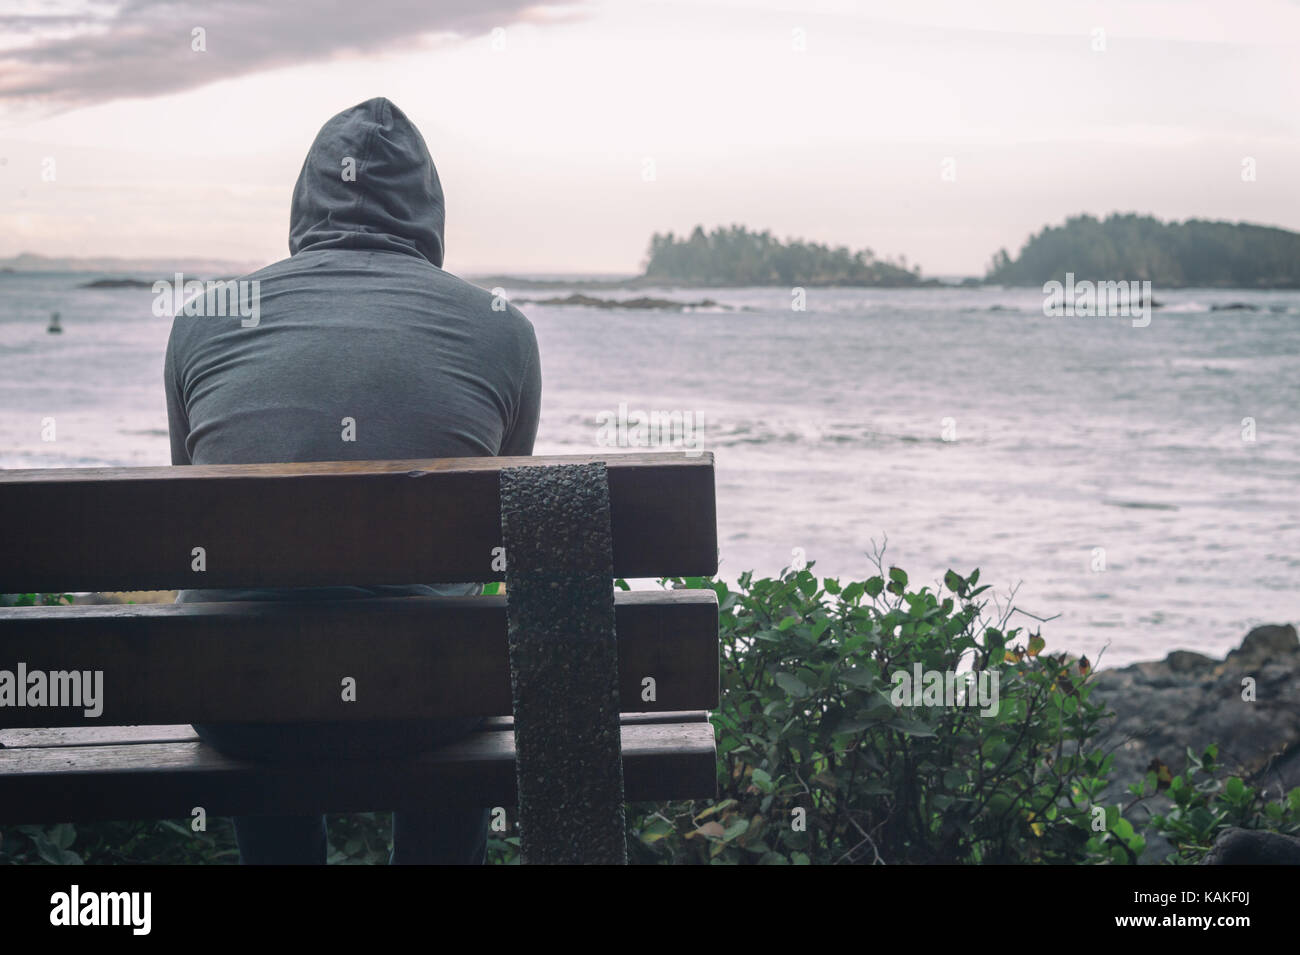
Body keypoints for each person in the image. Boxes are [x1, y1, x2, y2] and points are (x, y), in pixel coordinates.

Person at [163, 97, 542, 864]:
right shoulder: (504, 330)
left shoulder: (202, 322)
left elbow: (197, 539)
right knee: (452, 655)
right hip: (424, 705)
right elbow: (497, 549)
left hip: (242, 703)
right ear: (430, 208)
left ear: (305, 198)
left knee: (245, 628)